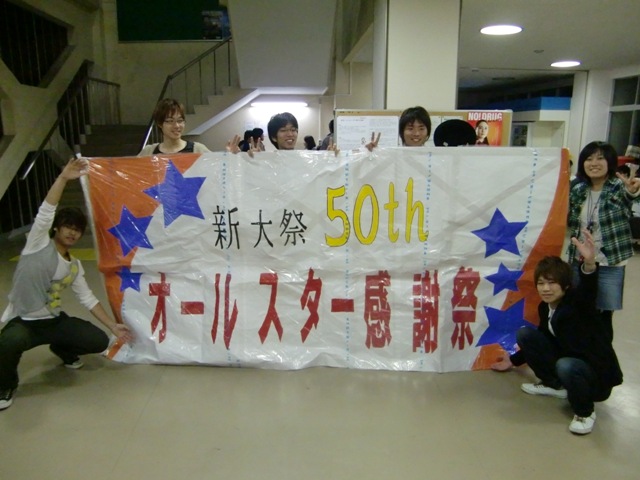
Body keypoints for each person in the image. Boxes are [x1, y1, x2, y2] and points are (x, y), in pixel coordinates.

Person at [0, 158, 134, 411]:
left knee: (97, 340)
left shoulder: (75, 266)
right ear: (56, 229)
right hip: (24, 322)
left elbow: (88, 298)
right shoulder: (38, 243)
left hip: (53, 321)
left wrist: (112, 326)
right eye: (67, 227)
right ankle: (5, 386)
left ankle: (62, 349)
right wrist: (63, 178)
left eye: (77, 230)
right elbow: (46, 210)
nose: (72, 233)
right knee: (6, 344)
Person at [491, 229, 623, 435]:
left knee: (565, 365)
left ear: (566, 286)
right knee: (526, 335)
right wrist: (513, 361)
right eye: (541, 283)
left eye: (552, 283)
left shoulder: (578, 304)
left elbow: (588, 292)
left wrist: (589, 264)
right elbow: (544, 337)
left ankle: (585, 412)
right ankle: (555, 385)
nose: (546, 289)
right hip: (569, 366)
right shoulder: (546, 307)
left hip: (595, 376)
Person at [567, 141, 640, 340]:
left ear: (610, 162)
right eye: (589, 159)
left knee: (604, 314)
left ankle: (602, 355)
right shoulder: (578, 189)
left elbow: (629, 195)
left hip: (610, 261)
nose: (594, 163)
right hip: (580, 260)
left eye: (600, 158)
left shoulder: (618, 186)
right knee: (579, 307)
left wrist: (633, 191)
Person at [138, 98, 211, 156]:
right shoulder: (148, 152)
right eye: (170, 121)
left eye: (180, 121)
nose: (176, 126)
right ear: (160, 124)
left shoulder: (198, 150)